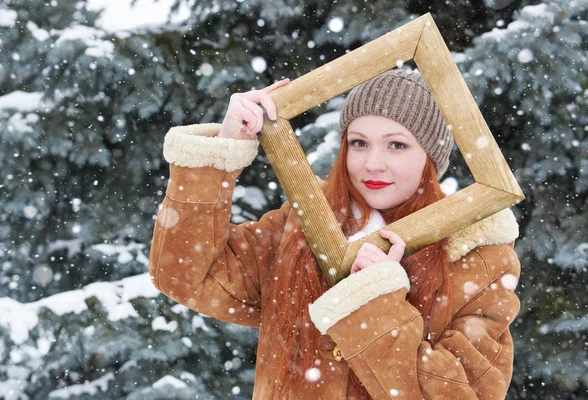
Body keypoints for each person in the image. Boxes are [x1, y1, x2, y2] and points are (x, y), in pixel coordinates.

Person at [148, 69, 521, 399]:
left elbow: (465, 392)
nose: (372, 163)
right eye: (359, 143)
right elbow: (184, 274)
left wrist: (376, 304)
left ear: (430, 158)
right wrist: (223, 150)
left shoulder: (477, 260)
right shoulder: (303, 227)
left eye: (397, 144)